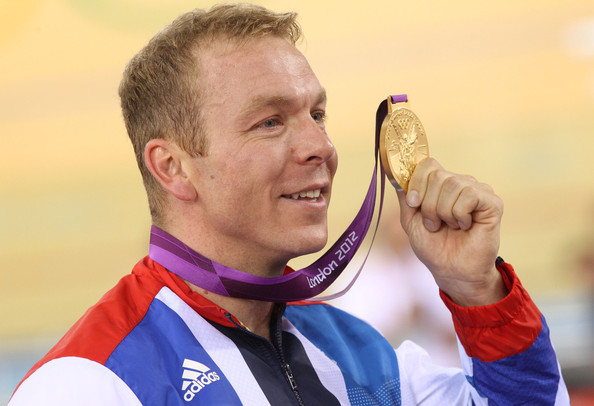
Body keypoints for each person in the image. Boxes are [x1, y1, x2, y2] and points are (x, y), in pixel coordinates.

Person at [9, 4, 569, 405]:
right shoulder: (91, 384)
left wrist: (477, 292)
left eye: (317, 115)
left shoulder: (365, 361)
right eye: (271, 122)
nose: (320, 147)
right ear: (172, 167)